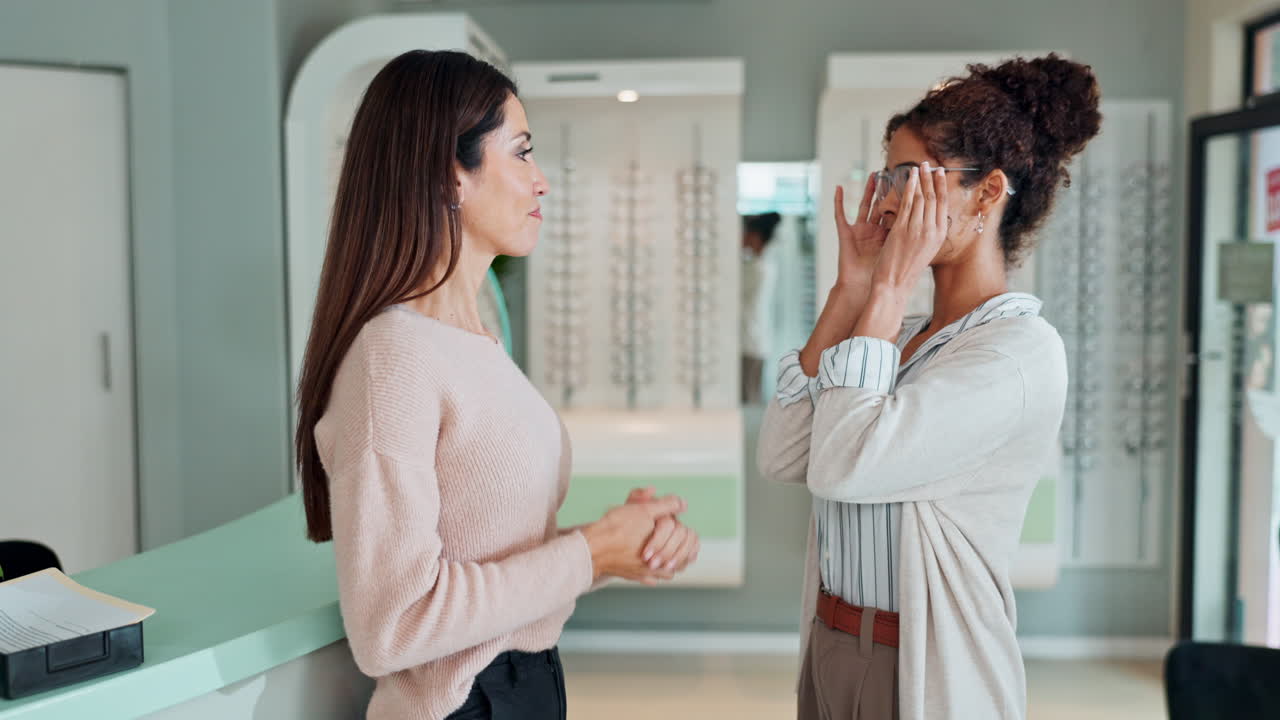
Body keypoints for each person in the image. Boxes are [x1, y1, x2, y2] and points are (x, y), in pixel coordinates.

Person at [293, 50, 700, 720]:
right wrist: (589, 552)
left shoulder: (474, 339)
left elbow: (489, 552)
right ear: (449, 175)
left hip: (525, 684)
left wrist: (613, 546)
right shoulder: (393, 356)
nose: (542, 182)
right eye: (522, 153)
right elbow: (392, 624)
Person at [758, 54, 1100, 720]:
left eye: (911, 178)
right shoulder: (900, 334)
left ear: (987, 193)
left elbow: (843, 468)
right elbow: (782, 454)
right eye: (887, 177)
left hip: (919, 666)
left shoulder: (1018, 353)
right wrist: (851, 290)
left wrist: (887, 288)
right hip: (830, 640)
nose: (889, 200)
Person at [741, 212, 783, 404]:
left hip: (750, 343)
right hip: (755, 342)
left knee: (749, 399)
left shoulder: (756, 268)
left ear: (755, 237)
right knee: (751, 396)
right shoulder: (762, 264)